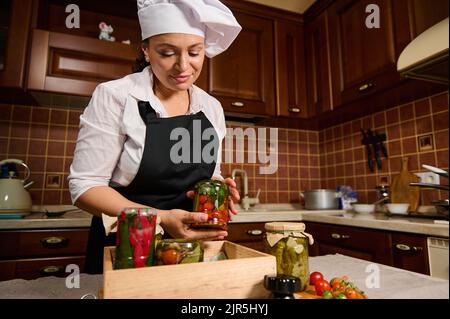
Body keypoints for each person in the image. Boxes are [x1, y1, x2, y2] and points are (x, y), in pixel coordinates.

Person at [68, 0, 242, 274]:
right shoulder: (115, 96)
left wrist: (216, 189)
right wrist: (162, 218)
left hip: (190, 246)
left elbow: (211, 172)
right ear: (147, 51)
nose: (183, 66)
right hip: (125, 245)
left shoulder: (211, 107)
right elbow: (85, 188)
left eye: (194, 53)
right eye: (167, 53)